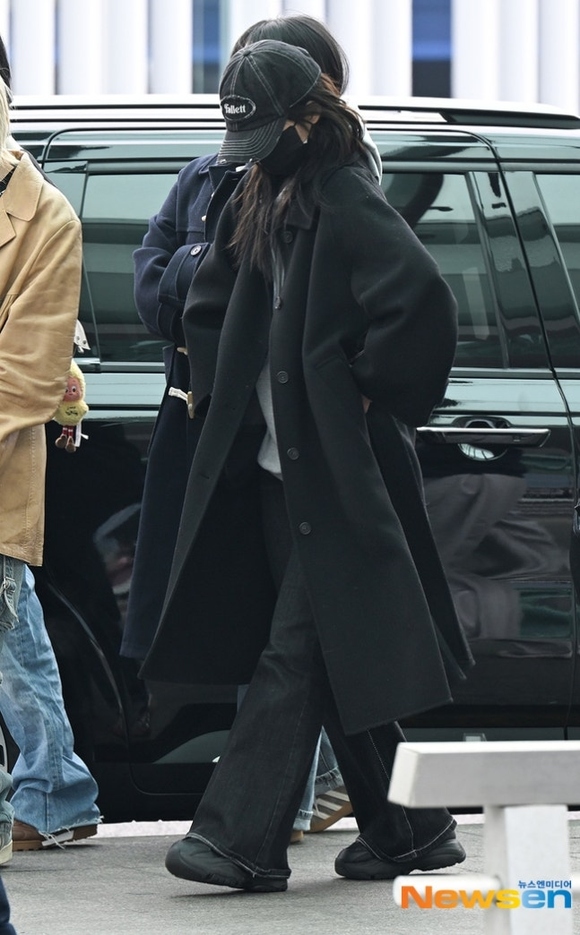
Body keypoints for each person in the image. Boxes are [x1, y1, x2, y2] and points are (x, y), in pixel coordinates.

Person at [140, 38, 473, 892]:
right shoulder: (263, 190)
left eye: (264, 136)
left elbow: (423, 304)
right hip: (273, 464)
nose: (252, 155)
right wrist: (219, 385)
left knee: (294, 650)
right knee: (333, 645)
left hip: (335, 472)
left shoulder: (345, 192)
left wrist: (360, 388)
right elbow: (211, 299)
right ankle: (412, 828)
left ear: (305, 119)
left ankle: (237, 839)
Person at [121, 14, 357, 837]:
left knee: (300, 626)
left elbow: (280, 302)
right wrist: (202, 271)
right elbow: (155, 286)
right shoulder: (206, 174)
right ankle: (344, 797)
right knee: (255, 617)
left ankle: (277, 807)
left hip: (295, 437)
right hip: (208, 428)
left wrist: (200, 276)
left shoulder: (340, 181)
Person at [0, 39, 101, 852]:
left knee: (10, 632)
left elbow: (27, 371)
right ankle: (54, 786)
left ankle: (54, 787)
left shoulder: (47, 217)